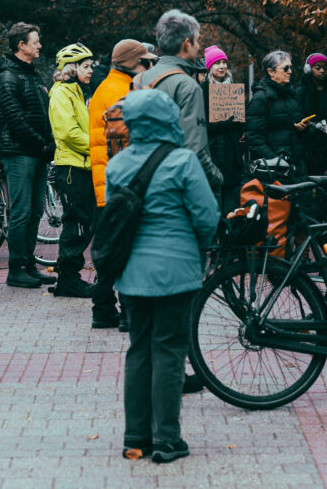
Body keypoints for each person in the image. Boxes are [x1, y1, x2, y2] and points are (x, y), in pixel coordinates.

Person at [110, 90, 219, 464]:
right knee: (169, 351)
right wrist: (199, 248)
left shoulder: (118, 165)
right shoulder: (184, 161)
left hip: (132, 276)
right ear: (167, 119)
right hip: (177, 273)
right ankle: (167, 440)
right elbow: (207, 217)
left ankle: (135, 438)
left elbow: (116, 221)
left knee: (139, 350)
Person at [87, 39, 157, 329]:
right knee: (127, 248)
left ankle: (104, 309)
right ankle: (125, 312)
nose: (149, 65)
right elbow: (127, 142)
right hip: (120, 182)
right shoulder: (123, 90)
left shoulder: (107, 86)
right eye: (145, 61)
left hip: (108, 180)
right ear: (132, 62)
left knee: (113, 247)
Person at [0, 22, 56, 289]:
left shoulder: (31, 75)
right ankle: (16, 268)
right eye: (35, 41)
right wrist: (41, 145)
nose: (39, 45)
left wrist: (47, 144)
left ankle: (28, 264)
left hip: (37, 153)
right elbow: (14, 119)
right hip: (21, 153)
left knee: (34, 211)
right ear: (21, 45)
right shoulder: (9, 76)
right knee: (21, 211)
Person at [138, 10, 224, 191]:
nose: (199, 46)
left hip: (142, 180)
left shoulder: (139, 80)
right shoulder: (187, 86)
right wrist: (217, 178)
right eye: (197, 40)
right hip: (175, 186)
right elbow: (195, 150)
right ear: (186, 44)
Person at [48, 43, 96, 299]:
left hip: (81, 165)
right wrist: (98, 147)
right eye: (86, 67)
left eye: (91, 66)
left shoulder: (75, 91)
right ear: (72, 68)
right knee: (76, 223)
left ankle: (69, 277)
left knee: (82, 222)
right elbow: (68, 133)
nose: (90, 71)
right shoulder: (61, 94)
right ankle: (68, 280)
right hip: (71, 168)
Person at [245, 50, 308, 175]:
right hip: (274, 171)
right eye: (285, 68)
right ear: (271, 72)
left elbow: (298, 132)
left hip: (297, 168)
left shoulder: (292, 95)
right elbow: (254, 139)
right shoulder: (261, 99)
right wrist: (276, 161)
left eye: (290, 67)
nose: (290, 71)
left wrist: (304, 128)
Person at [201, 45, 245, 213]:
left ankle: (230, 236)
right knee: (215, 204)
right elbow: (204, 125)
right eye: (217, 63)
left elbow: (240, 122)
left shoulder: (233, 89)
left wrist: (242, 131)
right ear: (209, 67)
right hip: (214, 155)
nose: (221, 66)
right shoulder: (203, 90)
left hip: (233, 156)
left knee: (231, 205)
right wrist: (229, 122)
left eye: (223, 62)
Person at [296, 53, 327, 175]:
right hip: (309, 144)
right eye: (317, 68)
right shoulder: (301, 91)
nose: (322, 71)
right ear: (309, 69)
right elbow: (298, 114)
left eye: (324, 68)